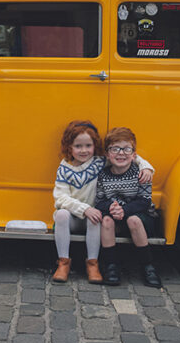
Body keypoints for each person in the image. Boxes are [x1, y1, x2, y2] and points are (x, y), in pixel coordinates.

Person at [52, 120, 153, 284]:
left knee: (97, 217)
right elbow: (61, 197)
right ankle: (63, 262)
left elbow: (125, 156)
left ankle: (93, 264)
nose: (84, 150)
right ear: (69, 147)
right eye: (78, 146)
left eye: (88, 146)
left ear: (95, 146)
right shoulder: (64, 168)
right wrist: (84, 209)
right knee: (61, 214)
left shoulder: (98, 162)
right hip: (73, 218)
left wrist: (146, 167)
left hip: (93, 216)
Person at [95, 127, 162, 288]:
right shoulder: (103, 175)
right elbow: (99, 201)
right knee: (106, 221)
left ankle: (147, 266)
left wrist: (124, 210)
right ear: (107, 154)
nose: (121, 153)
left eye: (126, 149)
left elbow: (144, 201)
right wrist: (112, 208)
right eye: (115, 149)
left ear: (134, 154)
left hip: (141, 218)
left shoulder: (141, 172)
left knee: (133, 220)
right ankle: (111, 266)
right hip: (115, 216)